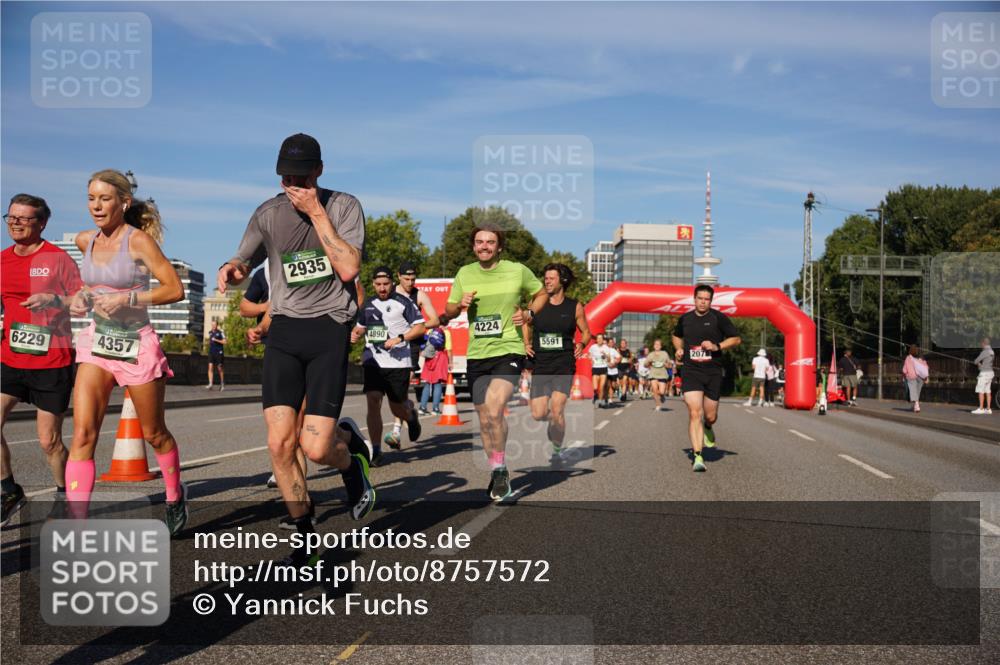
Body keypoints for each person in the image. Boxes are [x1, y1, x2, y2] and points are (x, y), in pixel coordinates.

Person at [218, 133, 373, 562]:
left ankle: (351, 455)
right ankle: (304, 534)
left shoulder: (343, 206)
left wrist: (316, 213)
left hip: (328, 329)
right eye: (286, 177)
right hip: (285, 329)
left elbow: (348, 266)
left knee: (317, 448)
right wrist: (231, 269)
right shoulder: (267, 213)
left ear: (319, 171)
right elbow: (242, 259)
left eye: (302, 177)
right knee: (279, 445)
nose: (294, 185)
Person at [66, 170, 188, 534]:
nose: (96, 206)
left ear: (123, 202)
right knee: (83, 434)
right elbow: (87, 286)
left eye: (104, 199)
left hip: (136, 343)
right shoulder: (84, 240)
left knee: (154, 433)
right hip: (98, 343)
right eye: (91, 198)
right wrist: (80, 297)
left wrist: (129, 297)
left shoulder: (138, 243)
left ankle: (173, 495)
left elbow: (174, 289)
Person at [444, 223, 546, 501]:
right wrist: (459, 304)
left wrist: (528, 314)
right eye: (479, 242)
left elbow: (541, 294)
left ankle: (500, 470)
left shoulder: (517, 270)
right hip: (477, 354)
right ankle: (497, 468)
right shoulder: (465, 273)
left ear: (499, 246)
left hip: (509, 350)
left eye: (490, 242)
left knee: (495, 407)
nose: (484, 246)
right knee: (485, 418)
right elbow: (449, 310)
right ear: (473, 246)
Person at [1, 194, 83, 526]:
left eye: (24, 219)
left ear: (42, 223)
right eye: (10, 217)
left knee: (49, 441)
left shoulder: (58, 258)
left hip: (52, 360)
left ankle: (64, 495)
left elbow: (82, 300)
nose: (15, 224)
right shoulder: (3, 260)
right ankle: (8, 489)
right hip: (10, 357)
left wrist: (55, 299)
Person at [352, 266, 425, 460]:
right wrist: (355, 335)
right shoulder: (367, 304)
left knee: (396, 407)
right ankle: (376, 450)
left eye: (385, 284)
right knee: (373, 401)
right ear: (373, 284)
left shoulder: (404, 302)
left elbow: (420, 328)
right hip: (373, 360)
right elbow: (360, 328)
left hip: (398, 363)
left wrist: (400, 338)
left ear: (392, 283)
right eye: (378, 284)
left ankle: (410, 417)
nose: (382, 288)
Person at [523, 263, 591, 461]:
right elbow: (526, 323)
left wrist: (582, 343)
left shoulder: (574, 306)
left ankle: (556, 450)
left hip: (563, 363)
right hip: (541, 363)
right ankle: (553, 424)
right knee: (538, 413)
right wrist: (526, 343)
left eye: (551, 278)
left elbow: (586, 331)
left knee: (557, 408)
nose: (547, 281)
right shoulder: (536, 302)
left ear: (562, 281)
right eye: (545, 278)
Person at [672, 285, 741, 472]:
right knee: (695, 412)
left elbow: (735, 339)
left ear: (711, 301)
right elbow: (676, 336)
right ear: (694, 299)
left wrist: (717, 346)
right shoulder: (685, 319)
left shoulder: (718, 318)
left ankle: (708, 426)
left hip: (712, 372)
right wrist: (678, 349)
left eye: (706, 299)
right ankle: (697, 455)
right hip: (691, 370)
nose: (703, 302)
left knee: (710, 415)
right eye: (700, 298)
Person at [387, 261, 440, 444]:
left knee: (400, 388)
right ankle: (410, 412)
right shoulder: (390, 293)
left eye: (413, 278)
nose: (410, 282)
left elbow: (435, 320)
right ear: (398, 276)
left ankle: (395, 432)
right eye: (406, 278)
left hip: (411, 346)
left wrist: (416, 328)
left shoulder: (420, 295)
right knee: (392, 390)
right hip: (390, 346)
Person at [418, 325, 449, 415]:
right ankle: (435, 408)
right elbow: (449, 348)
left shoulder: (429, 332)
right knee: (437, 383)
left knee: (428, 383)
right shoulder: (446, 333)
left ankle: (422, 407)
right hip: (440, 356)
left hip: (429, 358)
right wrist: (450, 361)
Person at [902, 344, 929, 413]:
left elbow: (904, 370)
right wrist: (926, 377)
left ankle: (916, 406)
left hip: (912, 377)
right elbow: (925, 367)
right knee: (917, 392)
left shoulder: (908, 358)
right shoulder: (920, 358)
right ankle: (915, 406)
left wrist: (904, 375)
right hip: (920, 377)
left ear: (910, 351)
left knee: (913, 392)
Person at [647, 339, 671, 411]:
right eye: (655, 344)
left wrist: (666, 364)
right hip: (653, 374)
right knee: (654, 390)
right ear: (653, 346)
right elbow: (645, 364)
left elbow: (669, 365)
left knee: (661, 392)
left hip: (662, 374)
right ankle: (658, 405)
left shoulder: (664, 353)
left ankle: (662, 396)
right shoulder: (651, 354)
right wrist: (649, 363)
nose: (657, 346)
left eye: (658, 344)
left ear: (661, 346)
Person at [972, 337, 995, 415]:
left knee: (981, 390)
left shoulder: (985, 351)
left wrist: (978, 364)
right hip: (990, 373)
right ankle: (988, 409)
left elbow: (976, 361)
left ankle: (981, 408)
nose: (981, 345)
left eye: (981, 343)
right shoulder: (992, 351)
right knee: (988, 391)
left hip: (984, 373)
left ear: (984, 343)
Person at [589, 333, 610, 408]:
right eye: (598, 338)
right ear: (596, 340)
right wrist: (591, 359)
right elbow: (589, 354)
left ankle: (600, 401)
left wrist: (605, 355)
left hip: (603, 368)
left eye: (601, 338)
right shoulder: (593, 347)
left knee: (601, 386)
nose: (600, 340)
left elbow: (609, 359)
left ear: (603, 340)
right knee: (595, 388)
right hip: (595, 368)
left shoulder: (606, 347)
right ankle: (596, 396)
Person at [206, 320, 226, 390]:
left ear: (217, 325)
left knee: (219, 368)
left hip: (219, 352)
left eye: (214, 325)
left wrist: (216, 340)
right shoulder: (210, 332)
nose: (213, 326)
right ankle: (210, 384)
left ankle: (222, 383)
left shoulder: (221, 333)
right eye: (212, 325)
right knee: (210, 367)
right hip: (211, 352)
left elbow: (225, 342)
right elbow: (210, 341)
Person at [605, 337, 621, 403]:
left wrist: (614, 363)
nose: (611, 343)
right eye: (610, 342)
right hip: (607, 370)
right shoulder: (604, 350)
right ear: (608, 343)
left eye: (612, 342)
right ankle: (610, 399)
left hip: (614, 370)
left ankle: (618, 389)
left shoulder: (613, 350)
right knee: (608, 385)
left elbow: (619, 358)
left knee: (613, 385)